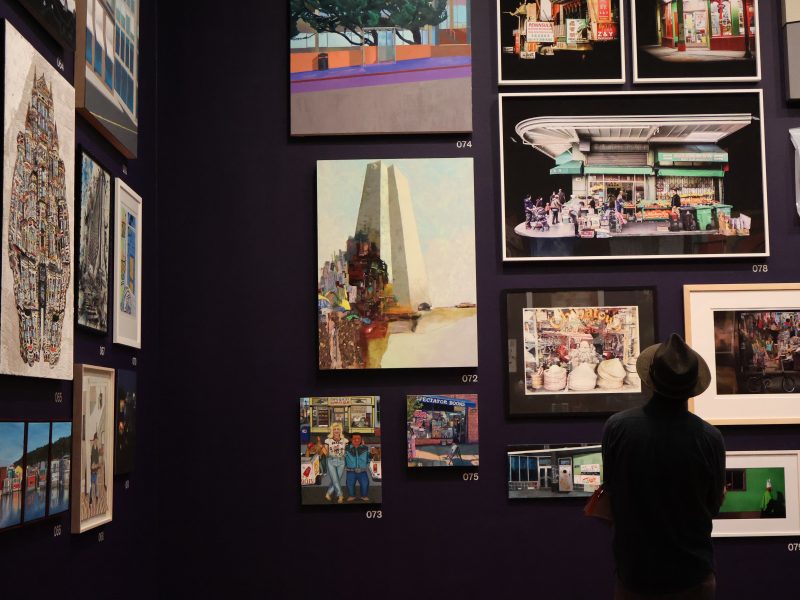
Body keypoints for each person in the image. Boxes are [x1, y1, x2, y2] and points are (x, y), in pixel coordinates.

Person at [602, 334, 726, 599]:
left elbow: (611, 491)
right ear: (693, 385)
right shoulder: (709, 437)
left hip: (636, 573)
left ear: (652, 378)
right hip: (692, 573)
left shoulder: (618, 428)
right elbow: (713, 504)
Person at [324, 423, 348, 503]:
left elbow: (348, 451)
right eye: (334, 429)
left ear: (340, 430)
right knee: (335, 479)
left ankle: (328, 493)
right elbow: (326, 453)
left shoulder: (345, 440)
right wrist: (323, 449)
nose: (336, 431)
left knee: (336, 480)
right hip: (331, 460)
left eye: (338, 429)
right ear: (332, 430)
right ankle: (340, 495)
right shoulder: (328, 440)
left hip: (341, 461)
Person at [345, 433, 371, 501]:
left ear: (361, 439)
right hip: (351, 471)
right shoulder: (346, 448)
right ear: (351, 439)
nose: (356, 440)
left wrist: (372, 455)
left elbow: (368, 458)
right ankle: (352, 496)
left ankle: (364, 496)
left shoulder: (365, 448)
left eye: (358, 438)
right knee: (350, 484)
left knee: (365, 484)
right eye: (354, 438)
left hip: (362, 471)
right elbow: (342, 458)